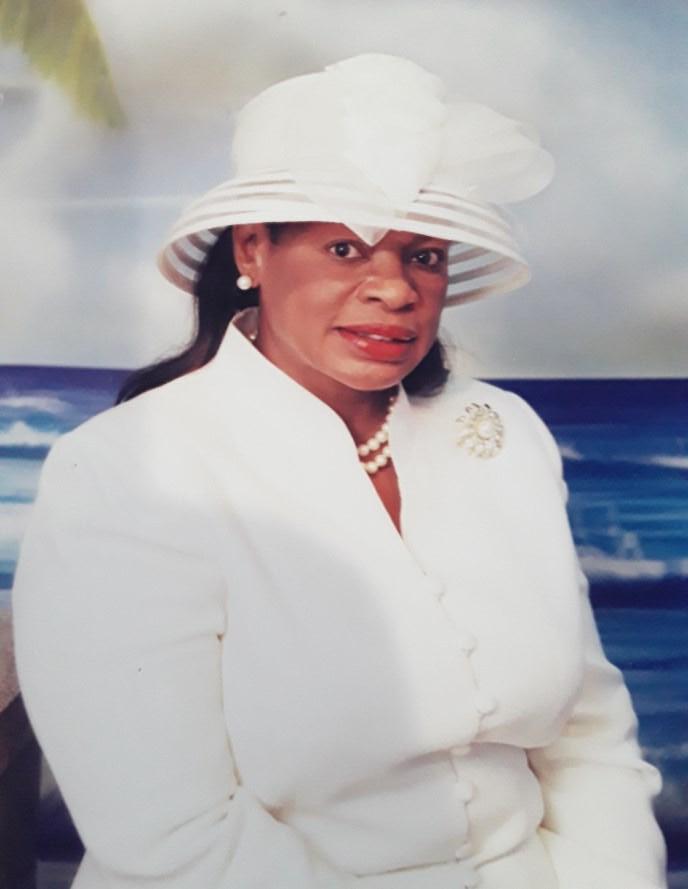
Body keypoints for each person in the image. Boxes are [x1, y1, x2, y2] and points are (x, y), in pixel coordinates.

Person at [12, 54, 666, 889]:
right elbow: (171, 834)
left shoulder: (503, 434)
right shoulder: (125, 470)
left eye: (423, 255)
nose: (394, 289)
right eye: (345, 247)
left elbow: (589, 740)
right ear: (253, 249)